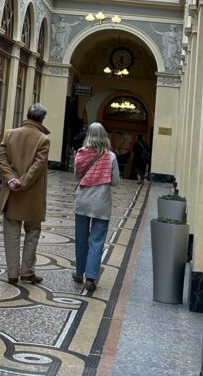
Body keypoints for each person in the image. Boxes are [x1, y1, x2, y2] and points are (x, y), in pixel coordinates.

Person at [0, 102, 51, 285]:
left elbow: (1, 158)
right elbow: (38, 165)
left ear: (27, 116)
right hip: (32, 195)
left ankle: (12, 274)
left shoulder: (10, 134)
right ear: (42, 119)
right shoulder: (43, 139)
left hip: (11, 194)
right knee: (32, 232)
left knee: (11, 233)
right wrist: (23, 182)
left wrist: (12, 179)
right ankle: (27, 271)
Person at [73, 122, 121, 294]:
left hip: (83, 201)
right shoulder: (111, 157)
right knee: (97, 240)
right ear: (104, 136)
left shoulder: (80, 153)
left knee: (81, 238)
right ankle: (91, 277)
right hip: (101, 203)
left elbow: (77, 175)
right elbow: (115, 182)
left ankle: (79, 273)